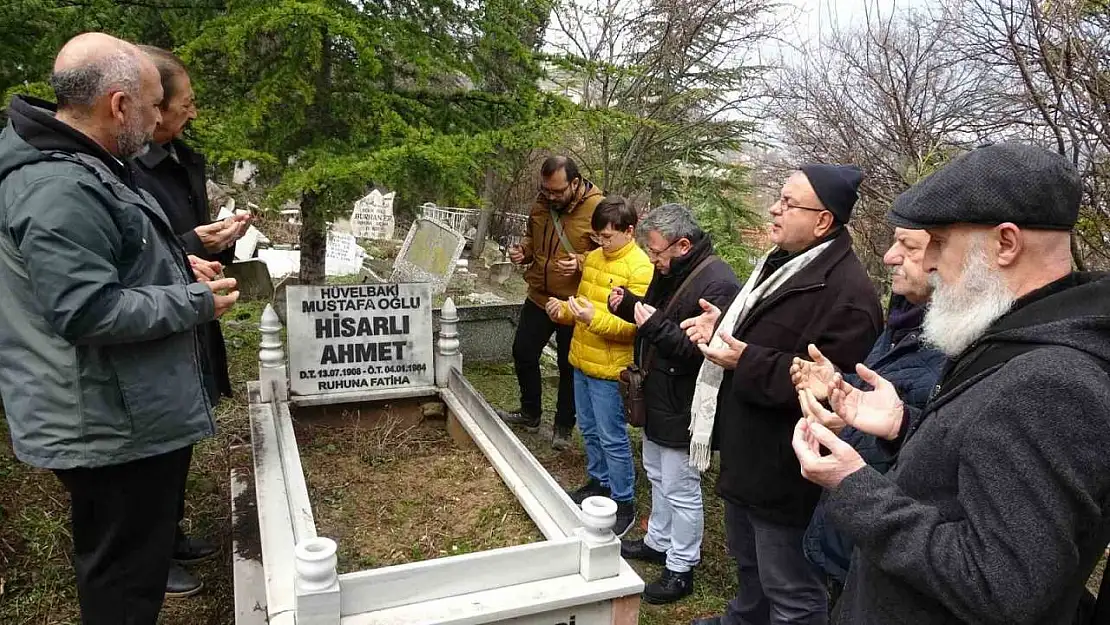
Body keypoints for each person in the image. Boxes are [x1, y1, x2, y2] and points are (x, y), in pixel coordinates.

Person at [792, 142, 1110, 625]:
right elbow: (978, 481)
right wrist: (902, 426)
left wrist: (853, 487)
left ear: (1006, 243)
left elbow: (1004, 586)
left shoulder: (1052, 380)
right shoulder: (1017, 337)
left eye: (939, 242)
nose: (931, 261)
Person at [0, 33, 239, 625]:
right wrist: (192, 301)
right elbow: (85, 311)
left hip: (119, 410)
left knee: (135, 560)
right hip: (103, 421)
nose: (163, 118)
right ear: (118, 105)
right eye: (156, 104)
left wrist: (175, 259)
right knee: (123, 583)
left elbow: (106, 260)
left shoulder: (87, 167)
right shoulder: (59, 186)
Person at [681, 165, 882, 625]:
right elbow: (764, 337)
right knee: (749, 564)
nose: (774, 208)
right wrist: (723, 326)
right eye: (780, 197)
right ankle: (744, 619)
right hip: (748, 451)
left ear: (822, 222)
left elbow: (832, 392)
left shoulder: (847, 296)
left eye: (788, 202)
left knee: (790, 587)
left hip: (788, 470)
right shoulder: (779, 265)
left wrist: (744, 359)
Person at [131, 44, 248, 599]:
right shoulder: (125, 167)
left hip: (188, 311)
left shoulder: (181, 160)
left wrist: (217, 239)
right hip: (155, 320)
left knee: (178, 439)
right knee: (151, 449)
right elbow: (136, 254)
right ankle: (147, 559)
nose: (188, 114)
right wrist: (188, 244)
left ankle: (169, 535)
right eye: (182, 104)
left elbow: (182, 238)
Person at [789, 227, 944, 602]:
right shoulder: (904, 322)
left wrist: (890, 424)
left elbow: (938, 447)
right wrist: (839, 390)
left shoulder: (957, 342)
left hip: (893, 548)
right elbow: (890, 409)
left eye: (908, 247)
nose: (890, 256)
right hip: (853, 529)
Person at [607, 203, 741, 604]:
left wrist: (650, 323)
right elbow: (659, 316)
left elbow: (699, 351)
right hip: (659, 394)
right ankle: (657, 541)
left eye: (656, 252)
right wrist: (630, 305)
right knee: (657, 472)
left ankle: (681, 567)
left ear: (682, 245)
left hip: (685, 401)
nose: (652, 259)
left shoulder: (718, 283)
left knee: (681, 486)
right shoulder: (676, 270)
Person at [545, 196, 652, 536]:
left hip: (612, 369)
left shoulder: (640, 268)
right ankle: (599, 481)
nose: (602, 244)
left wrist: (593, 320)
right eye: (598, 237)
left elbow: (633, 326)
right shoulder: (592, 258)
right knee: (589, 430)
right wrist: (564, 310)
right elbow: (584, 304)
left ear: (629, 231)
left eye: (608, 237)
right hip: (581, 358)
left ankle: (623, 501)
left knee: (612, 437)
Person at [498, 155, 603, 450]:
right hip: (540, 296)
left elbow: (609, 251)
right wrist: (524, 253)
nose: (552, 196)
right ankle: (530, 413)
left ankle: (563, 426)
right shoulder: (541, 205)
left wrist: (582, 262)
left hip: (574, 302)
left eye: (557, 191)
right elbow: (533, 239)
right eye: (547, 190)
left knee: (568, 365)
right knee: (523, 351)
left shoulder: (598, 208)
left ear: (575, 182)